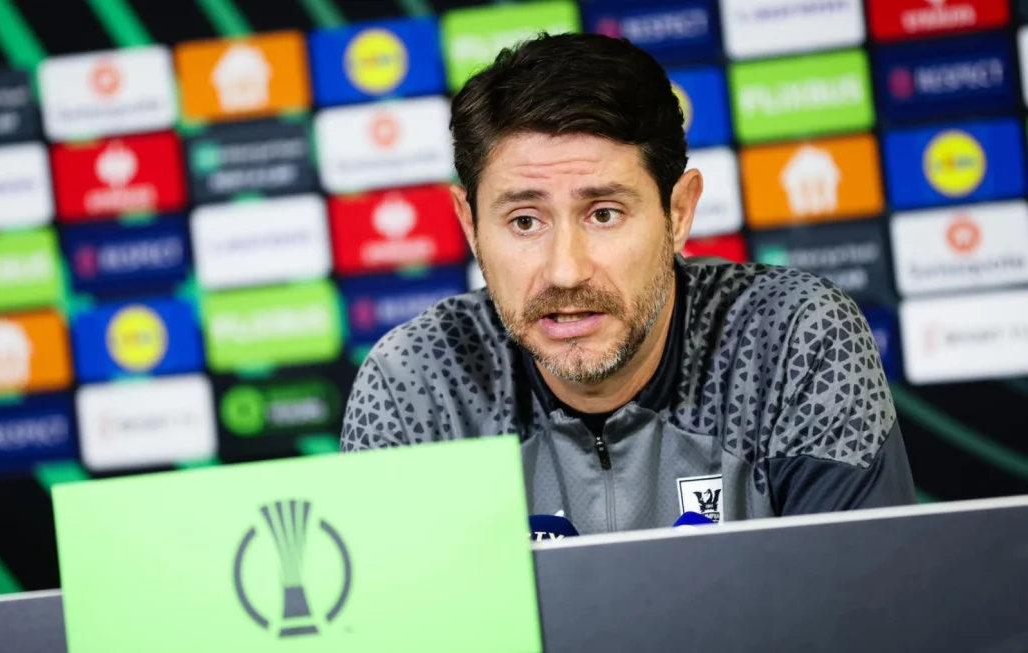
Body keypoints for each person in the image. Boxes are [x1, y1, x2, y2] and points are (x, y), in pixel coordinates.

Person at [340, 33, 915, 534]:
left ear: (680, 212)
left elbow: (862, 612)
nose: (566, 271)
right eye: (524, 221)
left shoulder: (794, 339)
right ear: (470, 225)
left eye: (605, 214)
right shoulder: (415, 381)